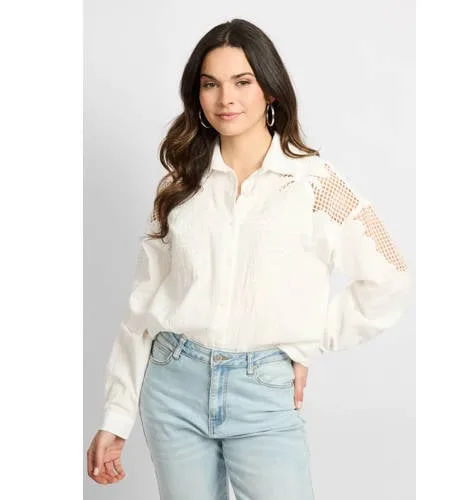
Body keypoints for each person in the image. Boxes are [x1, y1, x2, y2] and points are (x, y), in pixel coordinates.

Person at [86, 18, 410, 499]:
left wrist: (303, 342)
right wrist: (116, 416)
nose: (226, 99)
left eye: (242, 82)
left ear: (270, 91)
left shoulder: (314, 185)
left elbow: (390, 278)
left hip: (262, 391)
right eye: (210, 84)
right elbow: (143, 305)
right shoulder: (180, 185)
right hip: (172, 385)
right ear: (197, 95)